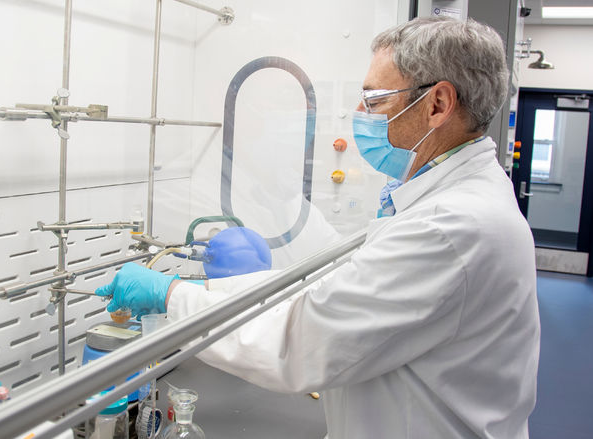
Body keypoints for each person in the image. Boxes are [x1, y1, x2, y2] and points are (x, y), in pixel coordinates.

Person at [96, 17, 540, 439]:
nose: (358, 114)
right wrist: (204, 292)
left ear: (438, 105)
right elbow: (336, 289)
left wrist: (170, 296)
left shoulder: (451, 226)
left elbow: (301, 342)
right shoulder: (448, 200)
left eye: (374, 100)